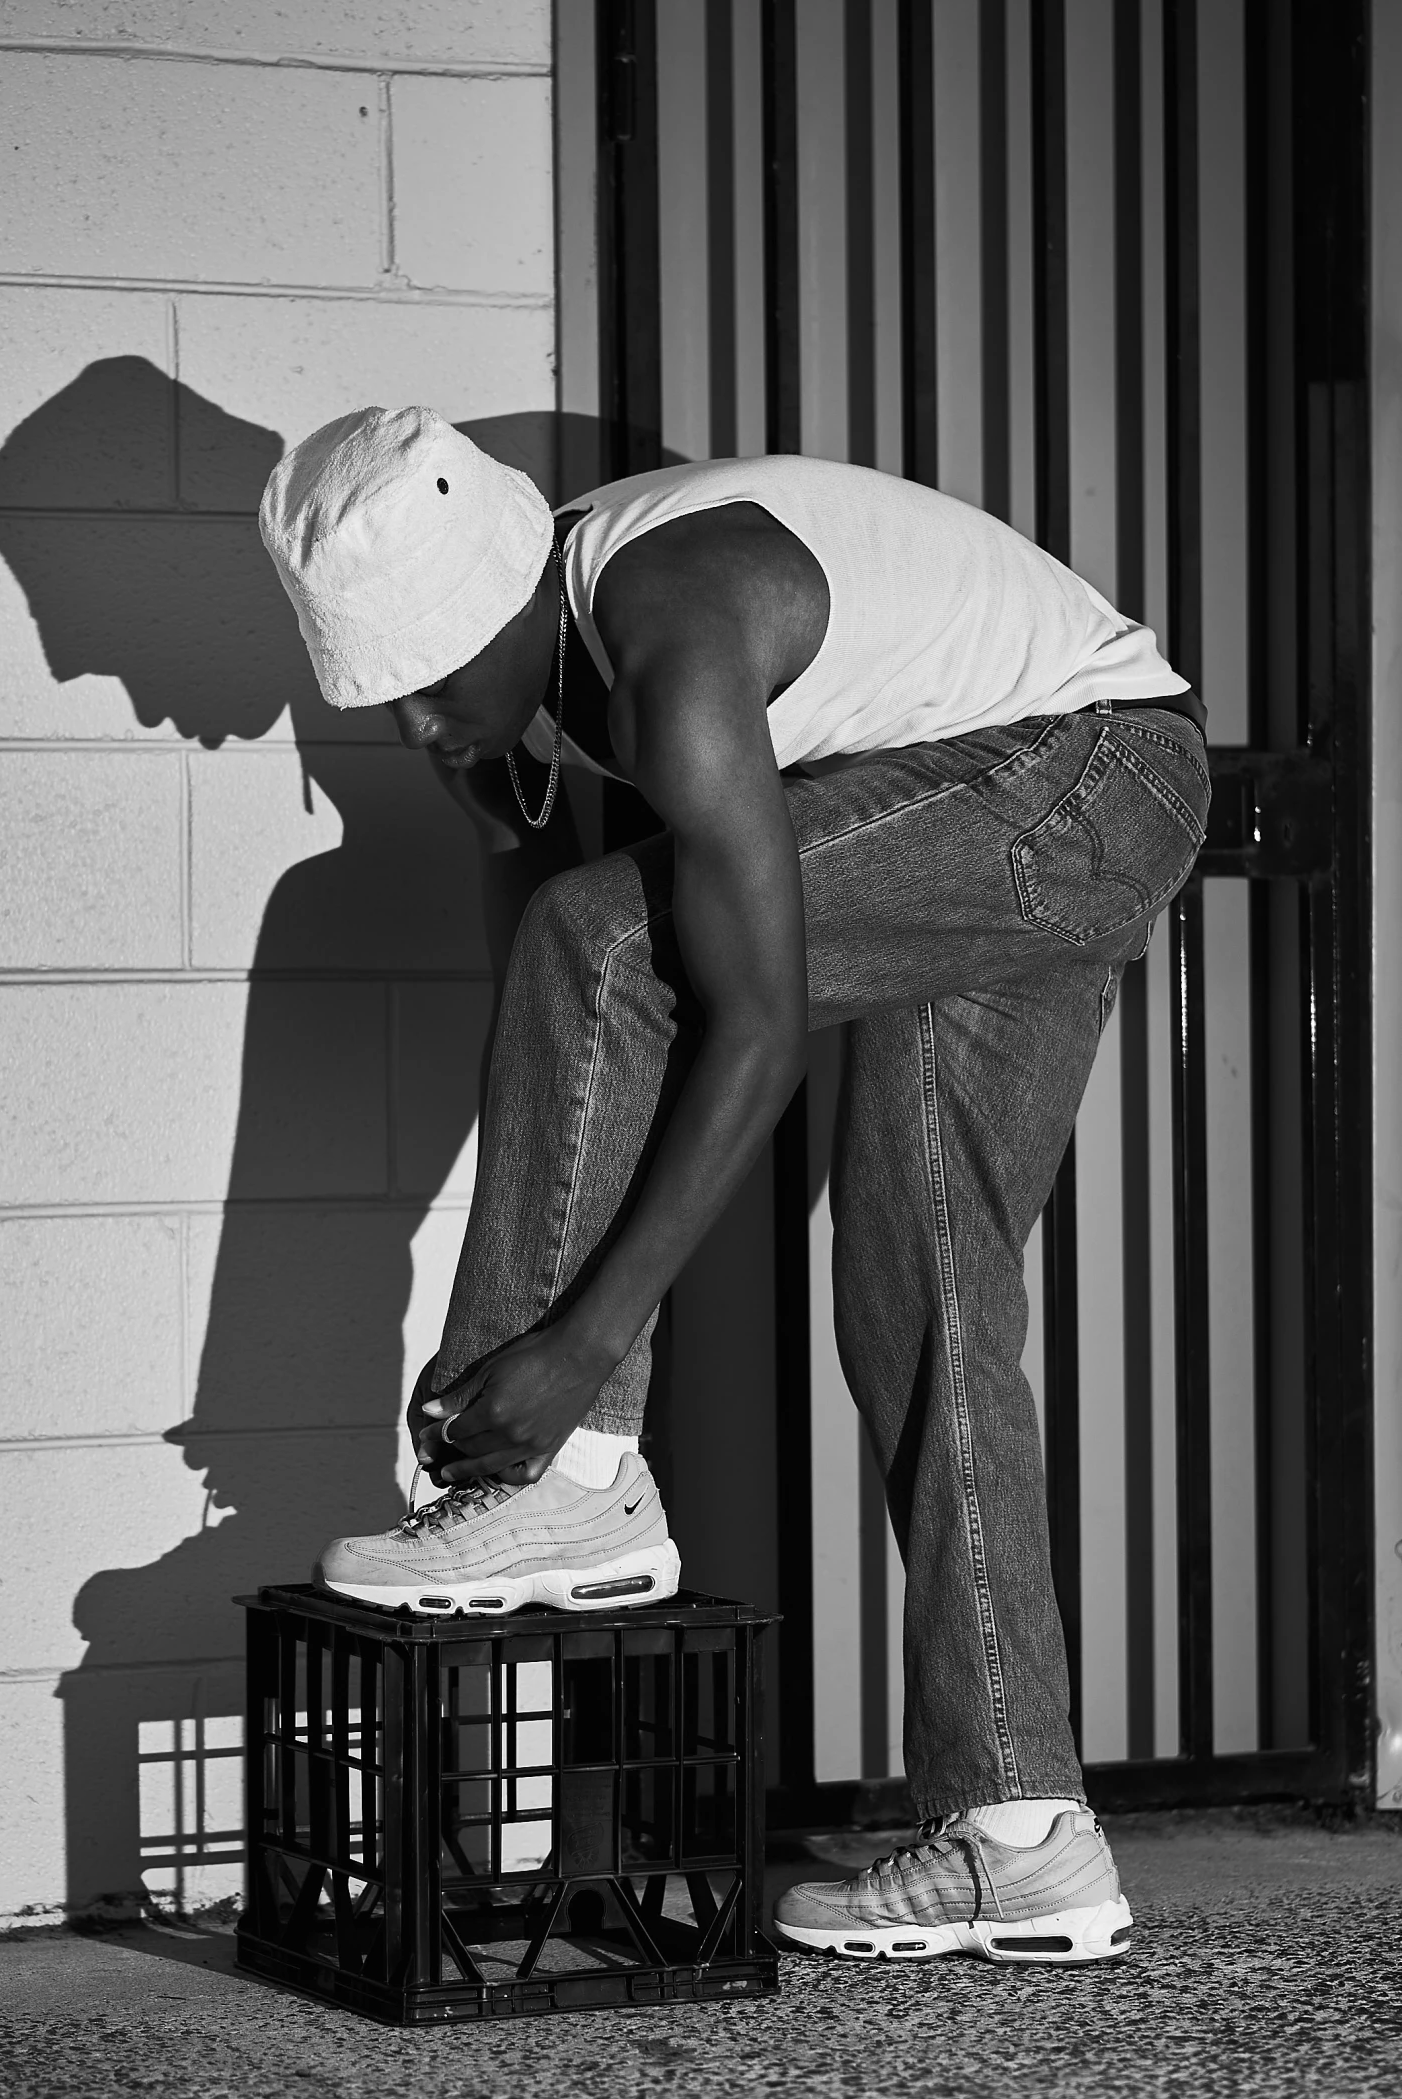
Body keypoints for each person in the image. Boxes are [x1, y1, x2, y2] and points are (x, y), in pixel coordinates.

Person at [259, 404, 1209, 1966]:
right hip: (1028, 776)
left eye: (430, 684)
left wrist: (567, 1361)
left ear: (505, 605)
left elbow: (750, 1032)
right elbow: (580, 961)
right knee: (927, 1299)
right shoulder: (545, 672)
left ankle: (558, 1490)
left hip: (1075, 778)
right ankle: (1025, 1830)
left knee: (596, 942)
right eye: (388, 698)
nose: (418, 727)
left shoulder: (668, 631)